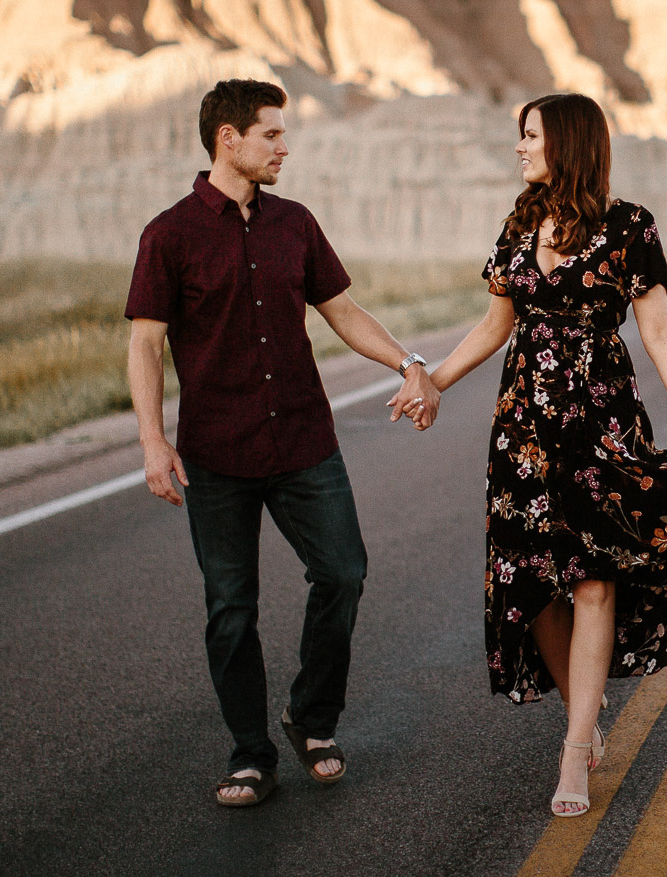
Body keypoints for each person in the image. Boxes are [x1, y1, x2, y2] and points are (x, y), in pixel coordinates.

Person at [406, 92, 667, 818]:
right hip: (522, 429)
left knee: (592, 580)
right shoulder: (521, 223)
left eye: (529, 135)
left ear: (567, 141)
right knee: (532, 586)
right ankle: (581, 719)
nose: (519, 147)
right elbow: (496, 324)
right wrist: (432, 378)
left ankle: (576, 746)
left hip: (601, 427)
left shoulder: (630, 227)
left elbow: (661, 335)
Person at [125, 78, 440, 807]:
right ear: (227, 139)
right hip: (217, 451)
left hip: (303, 440)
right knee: (231, 607)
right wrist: (151, 440)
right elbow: (145, 344)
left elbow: (342, 309)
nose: (284, 146)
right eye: (271, 134)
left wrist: (409, 363)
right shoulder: (167, 234)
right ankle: (250, 755)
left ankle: (312, 716)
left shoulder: (294, 223)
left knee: (344, 573)